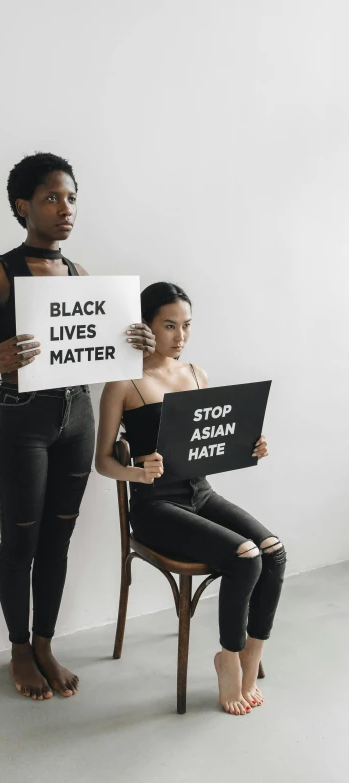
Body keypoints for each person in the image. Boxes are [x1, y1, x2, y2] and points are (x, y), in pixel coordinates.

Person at [0, 152, 154, 701]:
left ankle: (45, 643)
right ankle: (19, 650)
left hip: (77, 418)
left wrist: (134, 343)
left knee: (59, 540)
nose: (65, 208)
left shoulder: (79, 276)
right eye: (52, 198)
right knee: (20, 541)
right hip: (21, 422)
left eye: (71, 198)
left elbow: (101, 353)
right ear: (23, 206)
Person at [95, 281, 286, 715]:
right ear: (145, 327)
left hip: (200, 495)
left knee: (272, 552)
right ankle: (228, 657)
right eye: (168, 326)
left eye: (186, 326)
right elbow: (103, 461)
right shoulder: (123, 383)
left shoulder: (197, 374)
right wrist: (136, 472)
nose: (179, 337)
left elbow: (207, 443)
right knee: (246, 556)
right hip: (156, 507)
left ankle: (251, 654)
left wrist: (249, 445)